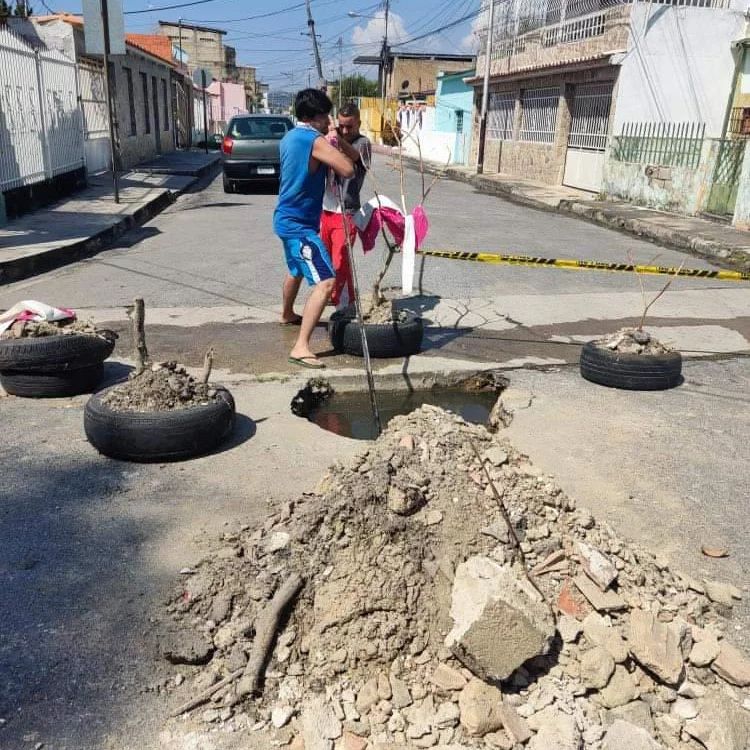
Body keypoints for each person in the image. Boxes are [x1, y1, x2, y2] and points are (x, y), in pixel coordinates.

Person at [274, 89, 355, 369]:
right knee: (326, 281)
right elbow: (347, 169)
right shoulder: (313, 139)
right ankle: (301, 346)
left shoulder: (289, 137)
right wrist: (335, 138)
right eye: (326, 116)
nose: (329, 120)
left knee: (296, 269)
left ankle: (286, 314)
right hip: (299, 226)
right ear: (317, 117)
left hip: (285, 219)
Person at [320, 101, 372, 309]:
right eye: (341, 125)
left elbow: (353, 157)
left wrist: (336, 137)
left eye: (349, 126)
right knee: (326, 262)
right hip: (326, 210)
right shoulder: (333, 138)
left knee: (340, 262)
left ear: (359, 123)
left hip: (347, 213)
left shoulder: (363, 143)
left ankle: (343, 306)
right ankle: (342, 300)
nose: (344, 130)